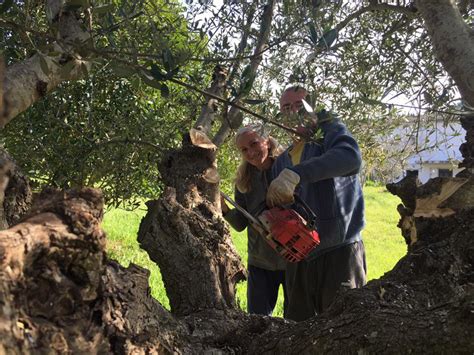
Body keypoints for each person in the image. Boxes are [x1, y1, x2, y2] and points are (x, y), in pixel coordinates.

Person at [266, 86, 367, 321]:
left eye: (299, 106)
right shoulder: (283, 160)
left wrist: (298, 174)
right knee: (298, 330)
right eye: (286, 108)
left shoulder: (329, 134)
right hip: (300, 257)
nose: (293, 113)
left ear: (315, 109)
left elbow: (350, 158)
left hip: (339, 252)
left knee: (345, 327)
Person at [221, 124, 288, 316]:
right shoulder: (244, 180)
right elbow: (241, 224)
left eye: (254, 143)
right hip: (260, 262)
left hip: (293, 261)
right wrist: (225, 211)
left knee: (297, 320)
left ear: (267, 140)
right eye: (244, 149)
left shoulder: (287, 167)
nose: (250, 152)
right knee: (257, 320)